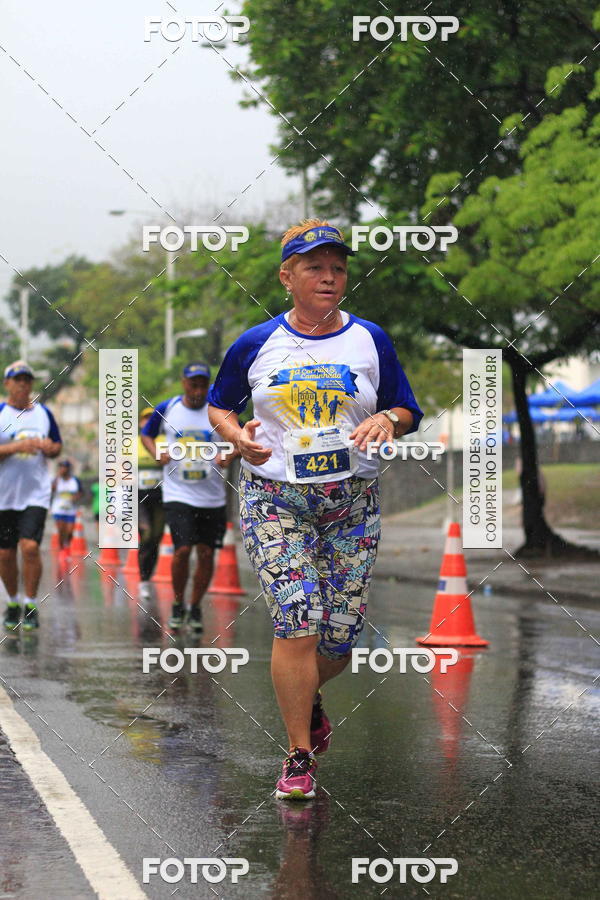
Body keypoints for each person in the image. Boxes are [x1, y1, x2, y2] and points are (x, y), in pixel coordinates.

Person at [208, 219, 423, 800]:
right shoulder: (255, 343)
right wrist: (238, 437)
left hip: (351, 503)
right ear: (287, 276)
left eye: (337, 268)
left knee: (340, 637)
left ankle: (311, 698)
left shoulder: (370, 339)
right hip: (275, 499)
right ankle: (299, 752)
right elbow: (219, 405)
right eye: (314, 267)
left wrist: (388, 420)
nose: (329, 277)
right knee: (296, 615)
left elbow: (407, 407)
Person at [141, 363, 232, 632]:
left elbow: (239, 439)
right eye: (193, 384)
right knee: (181, 551)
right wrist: (156, 452)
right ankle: (178, 604)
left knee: (205, 553)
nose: (198, 389)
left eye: (203, 384)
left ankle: (194, 607)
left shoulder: (219, 410)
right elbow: (146, 434)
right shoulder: (167, 408)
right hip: (177, 492)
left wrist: (229, 454)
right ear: (184, 383)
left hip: (212, 496)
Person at [0, 361, 62, 631]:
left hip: (35, 494)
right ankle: (13, 602)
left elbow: (57, 446)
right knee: (5, 554)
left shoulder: (44, 414)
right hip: (3, 496)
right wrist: (17, 447)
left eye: (27, 379)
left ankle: (31, 602)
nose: (23, 384)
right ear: (7, 384)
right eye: (18, 379)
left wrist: (50, 448)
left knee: (30, 547)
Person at [137, 406, 166, 597]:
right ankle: (143, 580)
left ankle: (148, 575)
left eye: (152, 419)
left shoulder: (165, 441)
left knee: (156, 537)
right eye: (145, 419)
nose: (148, 422)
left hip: (161, 496)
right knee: (146, 535)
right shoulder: (133, 443)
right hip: (138, 498)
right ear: (140, 423)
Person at [50, 459, 83, 563]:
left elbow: (81, 492)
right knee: (61, 529)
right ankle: (62, 549)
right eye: (61, 467)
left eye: (64, 467)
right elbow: (51, 489)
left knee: (69, 531)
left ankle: (67, 546)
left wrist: (76, 497)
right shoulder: (56, 480)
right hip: (58, 509)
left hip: (70, 509)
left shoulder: (74, 480)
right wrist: (57, 478)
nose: (62, 469)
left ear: (68, 469)